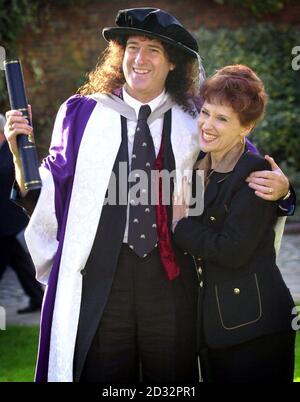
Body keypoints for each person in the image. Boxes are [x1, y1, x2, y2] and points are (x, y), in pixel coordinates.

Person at [4, 8, 294, 383]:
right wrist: (17, 154)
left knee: (172, 379)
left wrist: (284, 194)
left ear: (172, 62)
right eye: (132, 47)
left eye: (153, 50)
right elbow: (53, 185)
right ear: (119, 55)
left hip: (173, 277)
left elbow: (241, 171)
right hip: (103, 278)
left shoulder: (196, 119)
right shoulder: (83, 114)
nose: (140, 59)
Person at [172, 64, 296, 383]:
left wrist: (179, 224)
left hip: (256, 330)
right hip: (218, 328)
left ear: (246, 128)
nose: (207, 125)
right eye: (206, 113)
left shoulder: (255, 173)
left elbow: (232, 251)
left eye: (222, 118)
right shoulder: (201, 166)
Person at [0, 113, 43, 314]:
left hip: (10, 218)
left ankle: (37, 296)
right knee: (19, 261)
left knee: (13, 259)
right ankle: (37, 296)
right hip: (7, 221)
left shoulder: (9, 154)